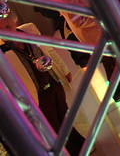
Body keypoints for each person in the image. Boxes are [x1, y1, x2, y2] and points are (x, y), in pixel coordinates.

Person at [0, 11, 85, 155]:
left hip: (53, 83)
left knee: (65, 117)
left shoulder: (29, 29)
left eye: (8, 26)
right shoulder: (2, 51)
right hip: (37, 95)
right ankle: (71, 151)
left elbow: (48, 50)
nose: (6, 32)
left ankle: (80, 145)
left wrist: (64, 70)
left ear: (15, 22)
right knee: (53, 128)